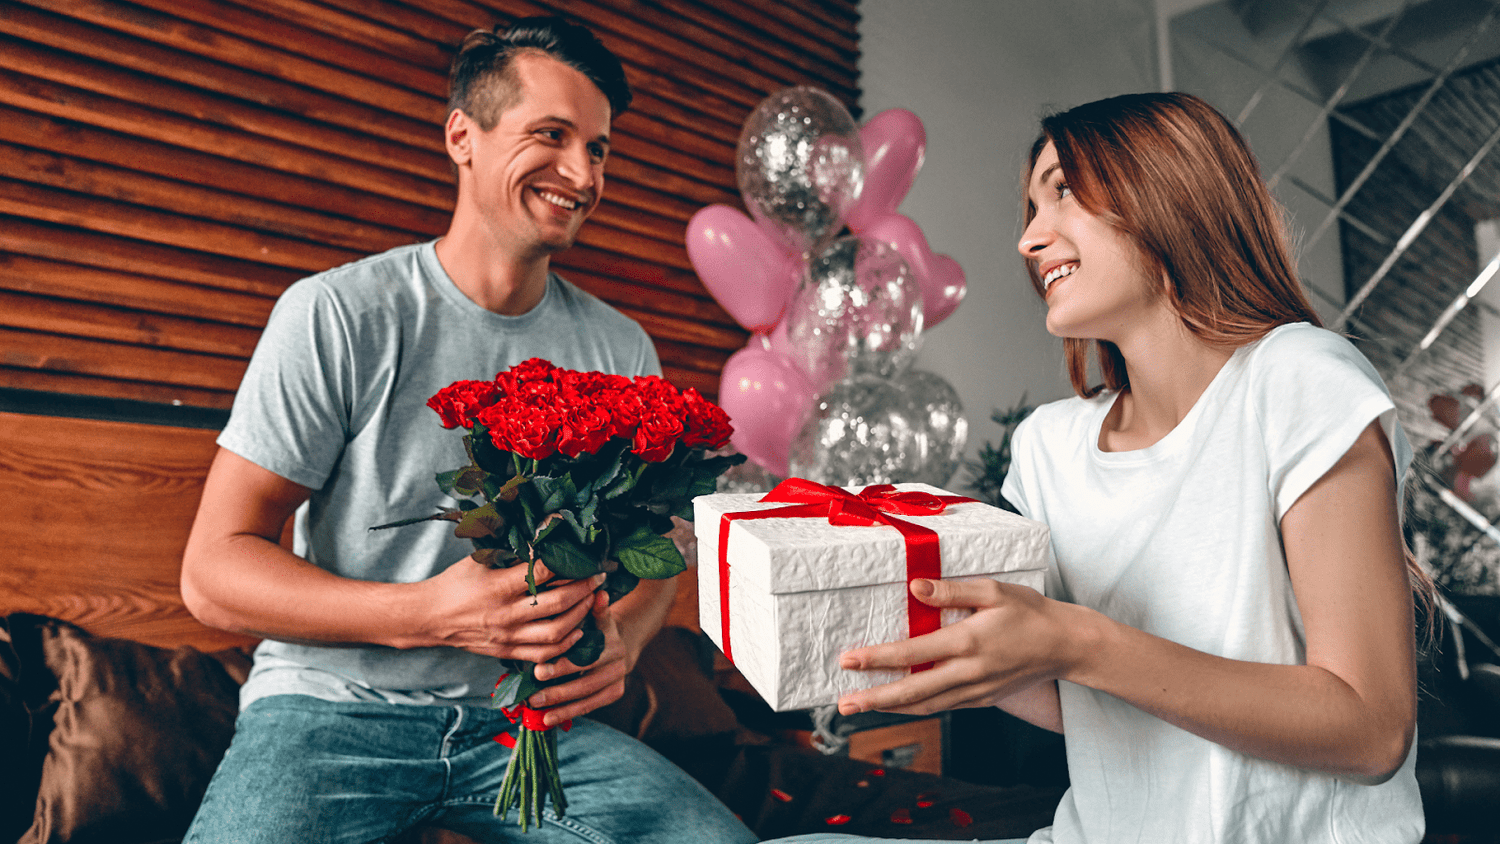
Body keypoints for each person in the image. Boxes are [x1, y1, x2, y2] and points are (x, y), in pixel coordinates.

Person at [766, 92, 1432, 843]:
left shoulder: (1299, 380)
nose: (1029, 239)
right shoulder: (1050, 445)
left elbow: (1371, 731)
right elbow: (1095, 706)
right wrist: (979, 664)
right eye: (1030, 207)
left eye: (1064, 192)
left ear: (1170, 189)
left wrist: (1079, 641)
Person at [178, 16, 756, 844]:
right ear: (463, 137)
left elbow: (660, 549)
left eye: (597, 149)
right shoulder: (337, 314)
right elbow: (212, 574)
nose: (582, 172)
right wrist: (429, 615)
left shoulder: (621, 347)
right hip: (329, 714)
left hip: (527, 730)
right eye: (551, 136)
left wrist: (619, 641)